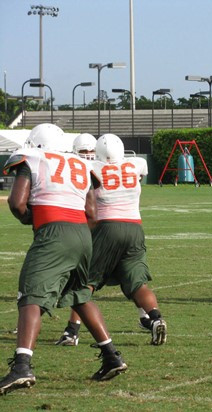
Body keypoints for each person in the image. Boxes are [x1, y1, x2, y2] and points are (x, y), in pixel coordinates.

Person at [0, 124, 127, 395]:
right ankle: (111, 356)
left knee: (31, 295)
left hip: (54, 232)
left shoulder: (33, 158)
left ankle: (22, 365)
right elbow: (92, 213)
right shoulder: (81, 163)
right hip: (82, 234)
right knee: (79, 294)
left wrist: (36, 222)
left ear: (35, 143)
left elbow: (16, 203)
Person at [56, 133, 167, 346]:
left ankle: (72, 331)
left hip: (107, 226)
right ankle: (155, 318)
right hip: (135, 227)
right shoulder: (136, 164)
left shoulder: (92, 168)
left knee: (85, 281)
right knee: (137, 283)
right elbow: (138, 173)